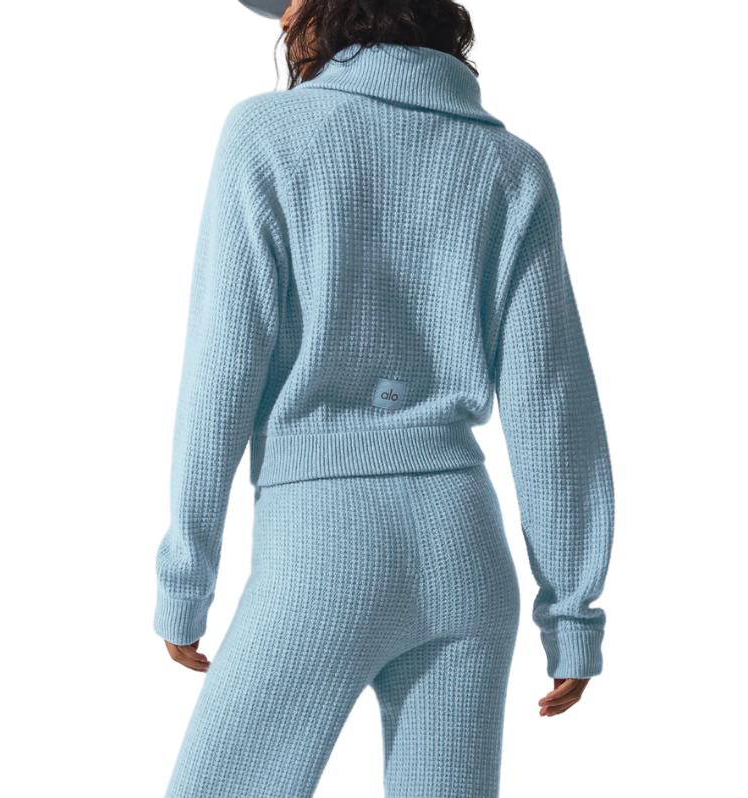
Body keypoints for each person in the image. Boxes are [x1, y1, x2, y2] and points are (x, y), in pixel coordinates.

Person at [153, 0, 615, 795]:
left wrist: (185, 579)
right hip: (466, 555)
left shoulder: (267, 134)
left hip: (321, 553)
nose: (283, 20)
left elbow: (221, 372)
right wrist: (571, 611)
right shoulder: (510, 166)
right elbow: (553, 400)